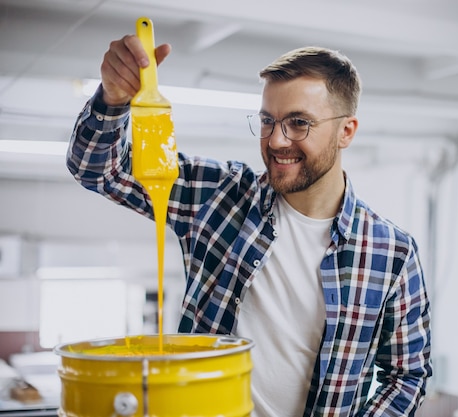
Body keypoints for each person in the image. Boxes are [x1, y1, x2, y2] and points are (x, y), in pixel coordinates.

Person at [66, 33, 432, 416]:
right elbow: (98, 171)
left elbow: (407, 375)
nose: (276, 140)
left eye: (299, 123)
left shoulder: (391, 253)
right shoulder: (218, 196)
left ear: (346, 131)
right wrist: (112, 100)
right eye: (267, 121)